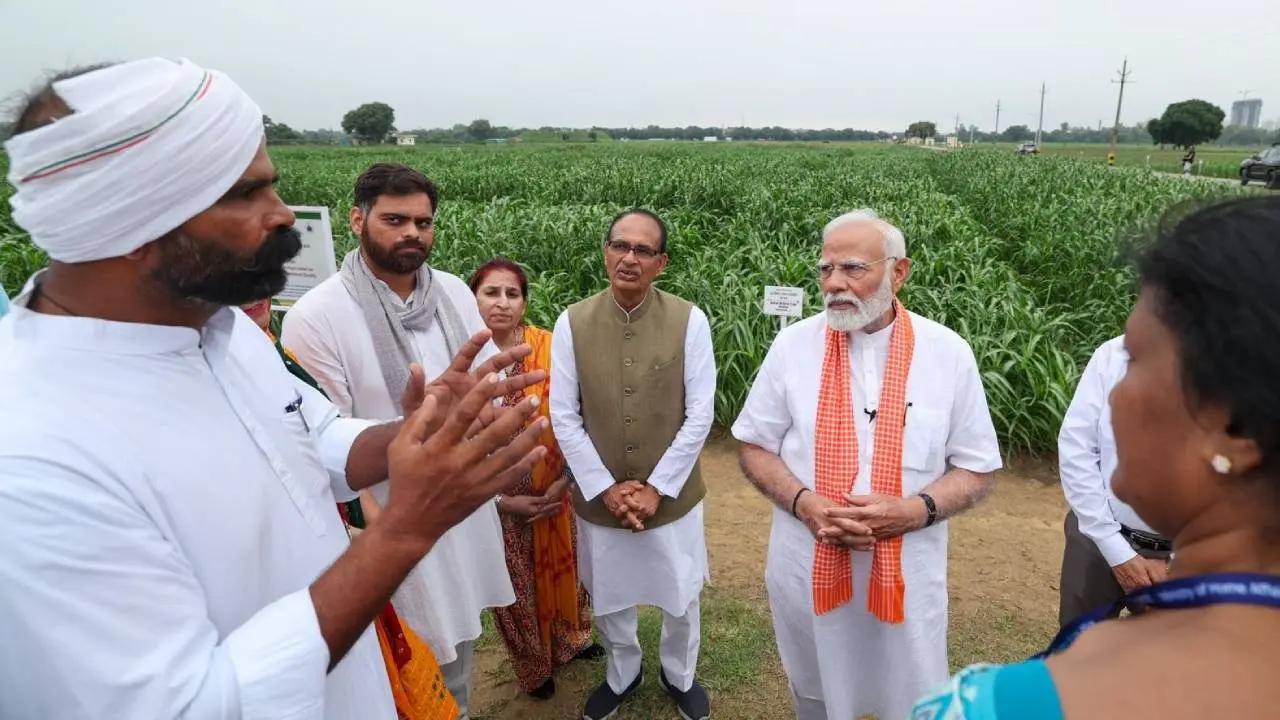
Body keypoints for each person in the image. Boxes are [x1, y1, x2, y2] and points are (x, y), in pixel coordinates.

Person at [0, 58, 549, 720]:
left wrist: (410, 433)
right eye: (243, 194)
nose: (281, 214)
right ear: (133, 223)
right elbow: (189, 706)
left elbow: (312, 433)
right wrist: (406, 528)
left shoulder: (220, 327)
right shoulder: (30, 459)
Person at [910, 196, 1280, 718]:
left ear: (1234, 428)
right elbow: (1076, 446)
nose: (1117, 393)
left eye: (1135, 359)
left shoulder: (994, 706)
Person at [731, 209, 1002, 720]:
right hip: (806, 560)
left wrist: (914, 510)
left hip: (907, 570)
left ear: (899, 272)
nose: (834, 283)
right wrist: (804, 502)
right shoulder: (792, 347)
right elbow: (753, 445)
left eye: (853, 268)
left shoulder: (947, 353)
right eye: (825, 269)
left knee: (911, 691)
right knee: (815, 689)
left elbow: (977, 467)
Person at [280, 163, 514, 718]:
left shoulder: (455, 292)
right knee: (405, 659)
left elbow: (485, 385)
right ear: (358, 220)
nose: (412, 232)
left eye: (423, 221)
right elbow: (324, 439)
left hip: (459, 504)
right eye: (394, 219)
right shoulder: (318, 316)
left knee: (458, 644)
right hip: (386, 515)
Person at [240, 296, 454, 719]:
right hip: (266, 650)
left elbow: (319, 435)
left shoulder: (246, 343)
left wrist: (411, 430)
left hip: (338, 603)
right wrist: (397, 537)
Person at [549, 209, 716, 720]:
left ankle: (679, 674)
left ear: (661, 262)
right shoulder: (572, 321)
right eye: (620, 246)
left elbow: (700, 414)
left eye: (643, 250)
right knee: (611, 594)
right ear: (605, 251)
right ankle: (623, 672)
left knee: (681, 593)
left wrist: (657, 488)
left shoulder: (689, 320)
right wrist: (605, 488)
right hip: (601, 501)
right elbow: (563, 414)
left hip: (672, 498)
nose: (629, 258)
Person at [467, 258, 604, 699]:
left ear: (525, 302)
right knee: (516, 587)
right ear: (473, 299)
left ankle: (571, 639)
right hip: (498, 504)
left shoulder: (548, 348)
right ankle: (533, 665)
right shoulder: (463, 360)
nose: (502, 303)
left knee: (568, 568)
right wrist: (500, 503)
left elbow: (580, 415)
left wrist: (565, 480)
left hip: (556, 491)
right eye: (491, 293)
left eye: (512, 294)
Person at [1057, 335, 1171, 628]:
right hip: (1097, 536)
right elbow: (1077, 447)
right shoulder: (1113, 356)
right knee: (1077, 653)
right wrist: (1115, 550)